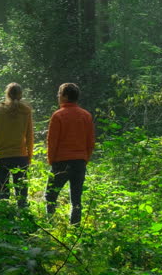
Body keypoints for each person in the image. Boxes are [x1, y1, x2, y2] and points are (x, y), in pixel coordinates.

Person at [45, 82, 95, 224]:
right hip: (79, 162)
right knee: (76, 200)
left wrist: (51, 160)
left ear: (65, 96)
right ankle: (75, 228)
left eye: (59, 94)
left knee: (50, 196)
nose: (58, 96)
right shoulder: (86, 115)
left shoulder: (58, 115)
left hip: (61, 162)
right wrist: (85, 159)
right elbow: (90, 142)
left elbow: (52, 141)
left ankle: (51, 224)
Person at [0, 82, 34, 208]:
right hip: (20, 157)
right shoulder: (26, 111)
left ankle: (6, 222)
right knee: (22, 195)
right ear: (21, 95)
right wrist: (29, 156)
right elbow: (29, 137)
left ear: (7, 94)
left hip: (0, 157)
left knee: (3, 194)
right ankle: (23, 220)